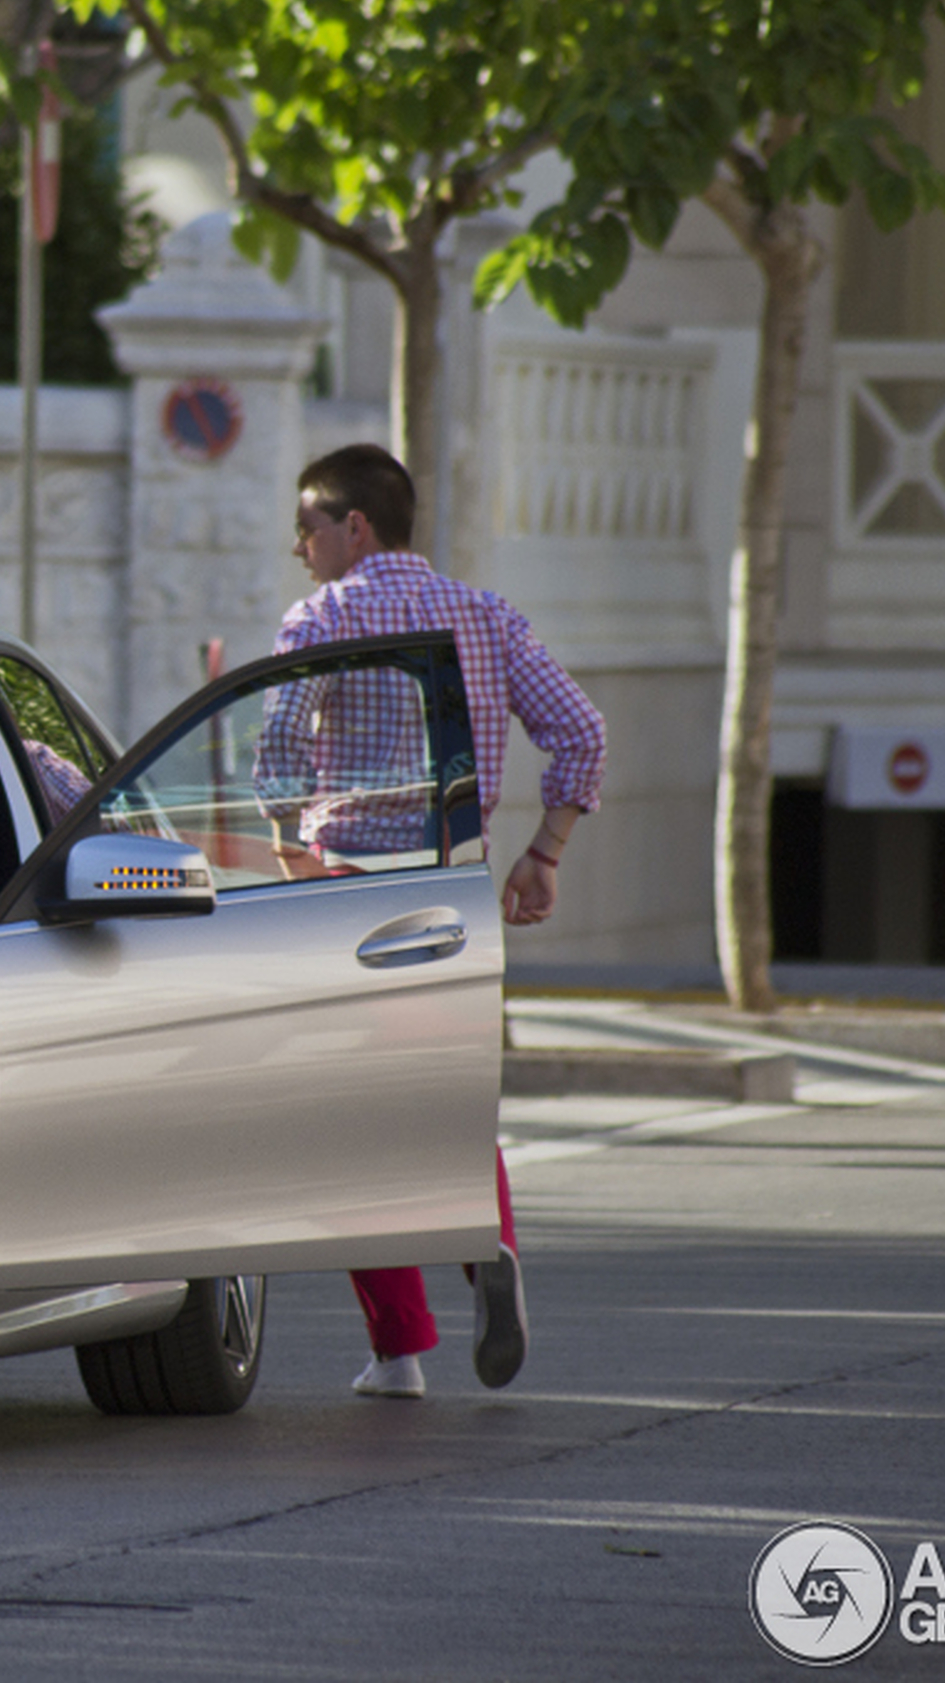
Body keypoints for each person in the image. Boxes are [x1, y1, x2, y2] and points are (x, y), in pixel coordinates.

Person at [273, 442, 607, 1400]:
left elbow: (279, 755)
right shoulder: (488, 614)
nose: (299, 547)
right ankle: (487, 1243)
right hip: (456, 888)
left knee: (348, 1117)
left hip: (349, 892)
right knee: (448, 1090)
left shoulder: (324, 617)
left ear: (354, 528)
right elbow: (581, 730)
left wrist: (291, 859)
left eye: (307, 526)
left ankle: (398, 1350)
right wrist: (542, 853)